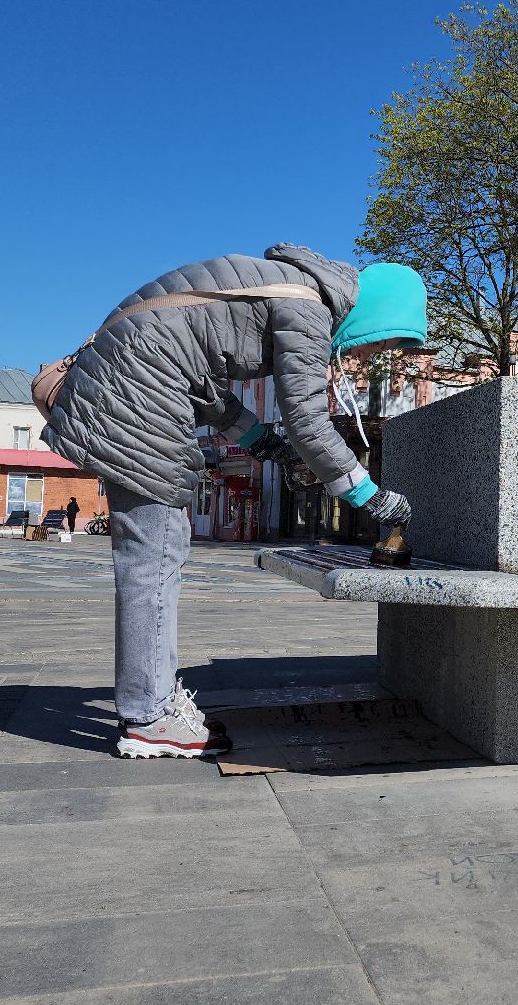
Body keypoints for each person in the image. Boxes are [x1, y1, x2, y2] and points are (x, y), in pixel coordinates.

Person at [44, 244, 427, 759]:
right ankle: (149, 716)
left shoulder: (285, 287)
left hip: (127, 378)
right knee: (154, 556)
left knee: (156, 553)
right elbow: (310, 422)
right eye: (376, 345)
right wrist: (369, 495)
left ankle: (152, 698)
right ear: (374, 314)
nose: (365, 357)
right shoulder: (309, 308)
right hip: (135, 393)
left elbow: (202, 384)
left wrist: (259, 441)